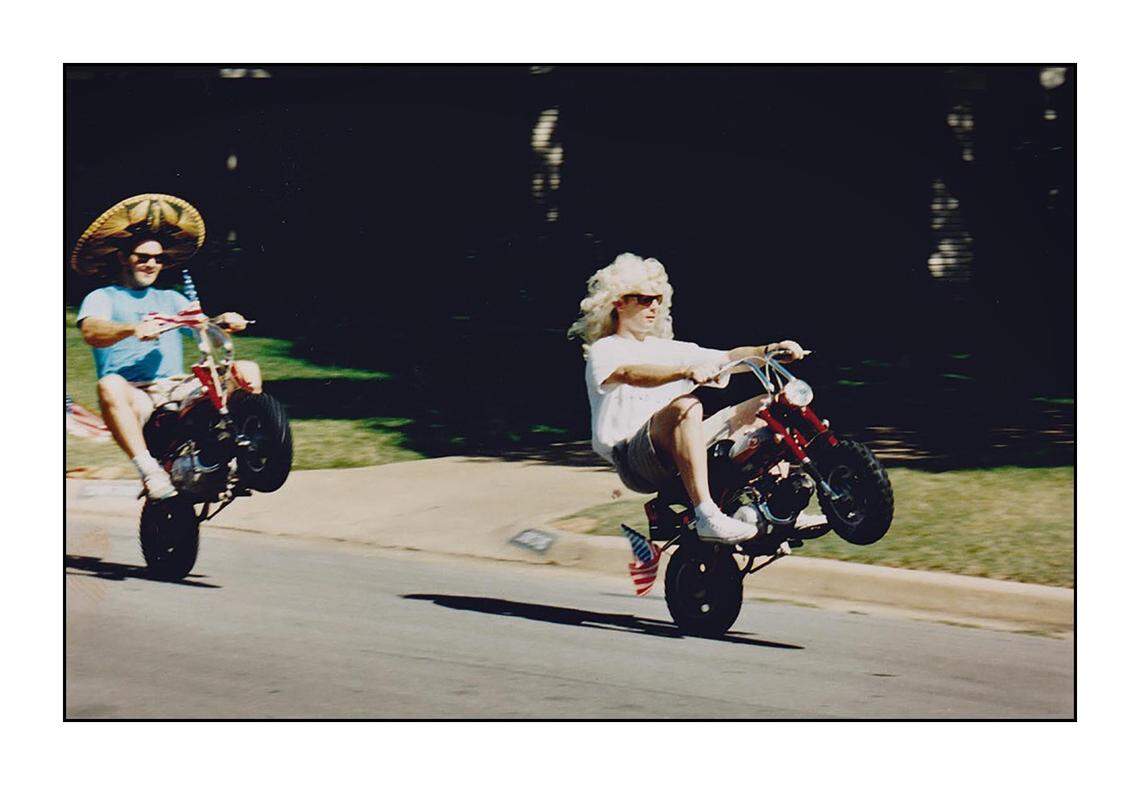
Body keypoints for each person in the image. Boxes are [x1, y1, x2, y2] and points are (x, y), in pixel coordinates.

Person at [568, 252, 815, 544]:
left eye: (658, 299)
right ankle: (706, 515)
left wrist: (771, 350)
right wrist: (683, 371)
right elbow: (629, 373)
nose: (654, 306)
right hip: (634, 459)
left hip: (677, 444)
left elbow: (728, 357)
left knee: (770, 405)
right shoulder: (605, 349)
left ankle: (784, 509)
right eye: (645, 299)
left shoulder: (666, 348)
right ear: (620, 303)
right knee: (686, 407)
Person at [71, 194, 261, 500]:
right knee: (108, 385)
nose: (151, 264)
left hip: (176, 389)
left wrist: (223, 321)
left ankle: (243, 459)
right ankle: (150, 472)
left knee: (247, 370)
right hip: (137, 396)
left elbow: (203, 328)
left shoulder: (172, 299)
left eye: (158, 258)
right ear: (123, 258)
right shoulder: (103, 297)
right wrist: (132, 328)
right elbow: (93, 331)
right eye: (142, 257)